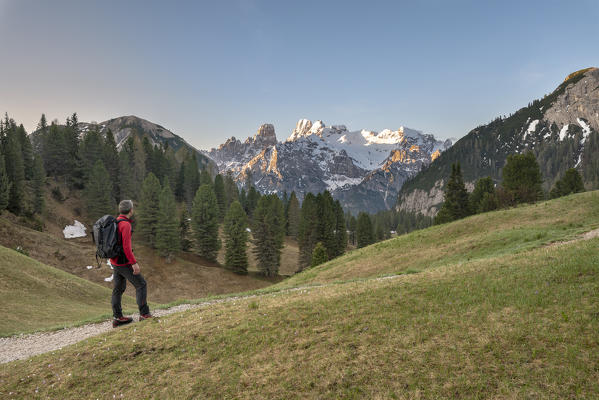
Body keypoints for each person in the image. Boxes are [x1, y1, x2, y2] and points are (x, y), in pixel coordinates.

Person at [110, 199, 152, 327]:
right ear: (131, 210)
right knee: (141, 284)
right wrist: (134, 263)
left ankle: (118, 318)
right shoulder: (126, 225)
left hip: (115, 261)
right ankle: (144, 314)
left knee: (118, 288)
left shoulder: (115, 222)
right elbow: (127, 248)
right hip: (123, 262)